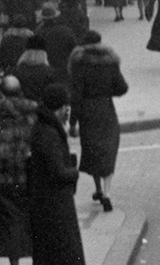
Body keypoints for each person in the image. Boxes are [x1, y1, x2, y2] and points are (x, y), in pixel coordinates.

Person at [23, 85, 85, 265]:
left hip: (48, 203)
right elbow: (57, 171)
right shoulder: (49, 132)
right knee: (63, 253)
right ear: (60, 107)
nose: (68, 111)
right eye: (66, 106)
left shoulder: (44, 127)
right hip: (54, 205)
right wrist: (74, 172)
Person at [66, 30, 127, 212]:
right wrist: (107, 92)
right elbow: (122, 88)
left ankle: (98, 189)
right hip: (106, 109)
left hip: (87, 112)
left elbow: (76, 96)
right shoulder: (111, 62)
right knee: (108, 149)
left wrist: (72, 122)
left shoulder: (79, 64)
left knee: (92, 150)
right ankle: (107, 192)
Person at [0, 77, 39, 265]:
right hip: (29, 174)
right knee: (32, 219)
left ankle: (14, 261)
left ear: (1, 92)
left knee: (8, 222)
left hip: (5, 176)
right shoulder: (33, 115)